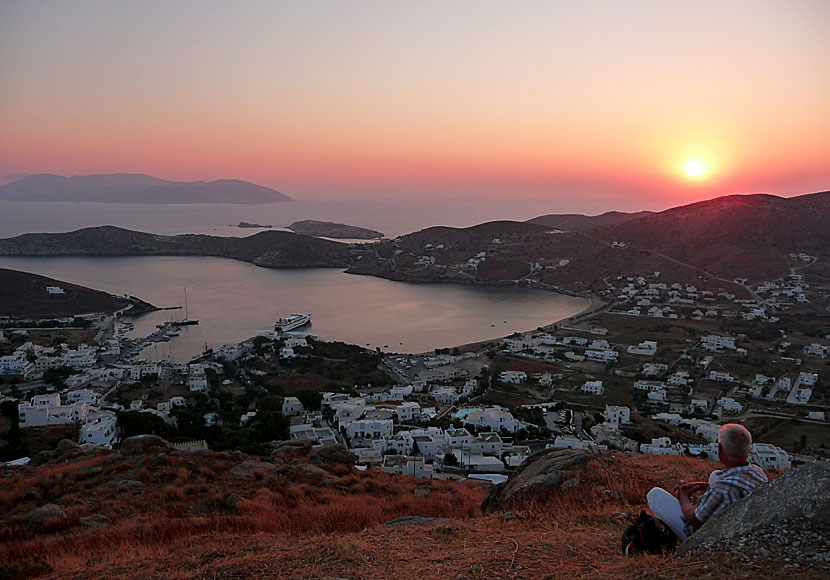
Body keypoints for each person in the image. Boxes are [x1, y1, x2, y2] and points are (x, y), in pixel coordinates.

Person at [646, 423, 768, 541]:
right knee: (715, 475)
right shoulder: (757, 471)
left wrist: (684, 496)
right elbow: (734, 489)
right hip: (742, 523)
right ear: (749, 449)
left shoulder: (722, 489)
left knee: (655, 495)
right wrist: (702, 486)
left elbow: (694, 519)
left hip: (708, 537)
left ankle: (679, 541)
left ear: (720, 449)